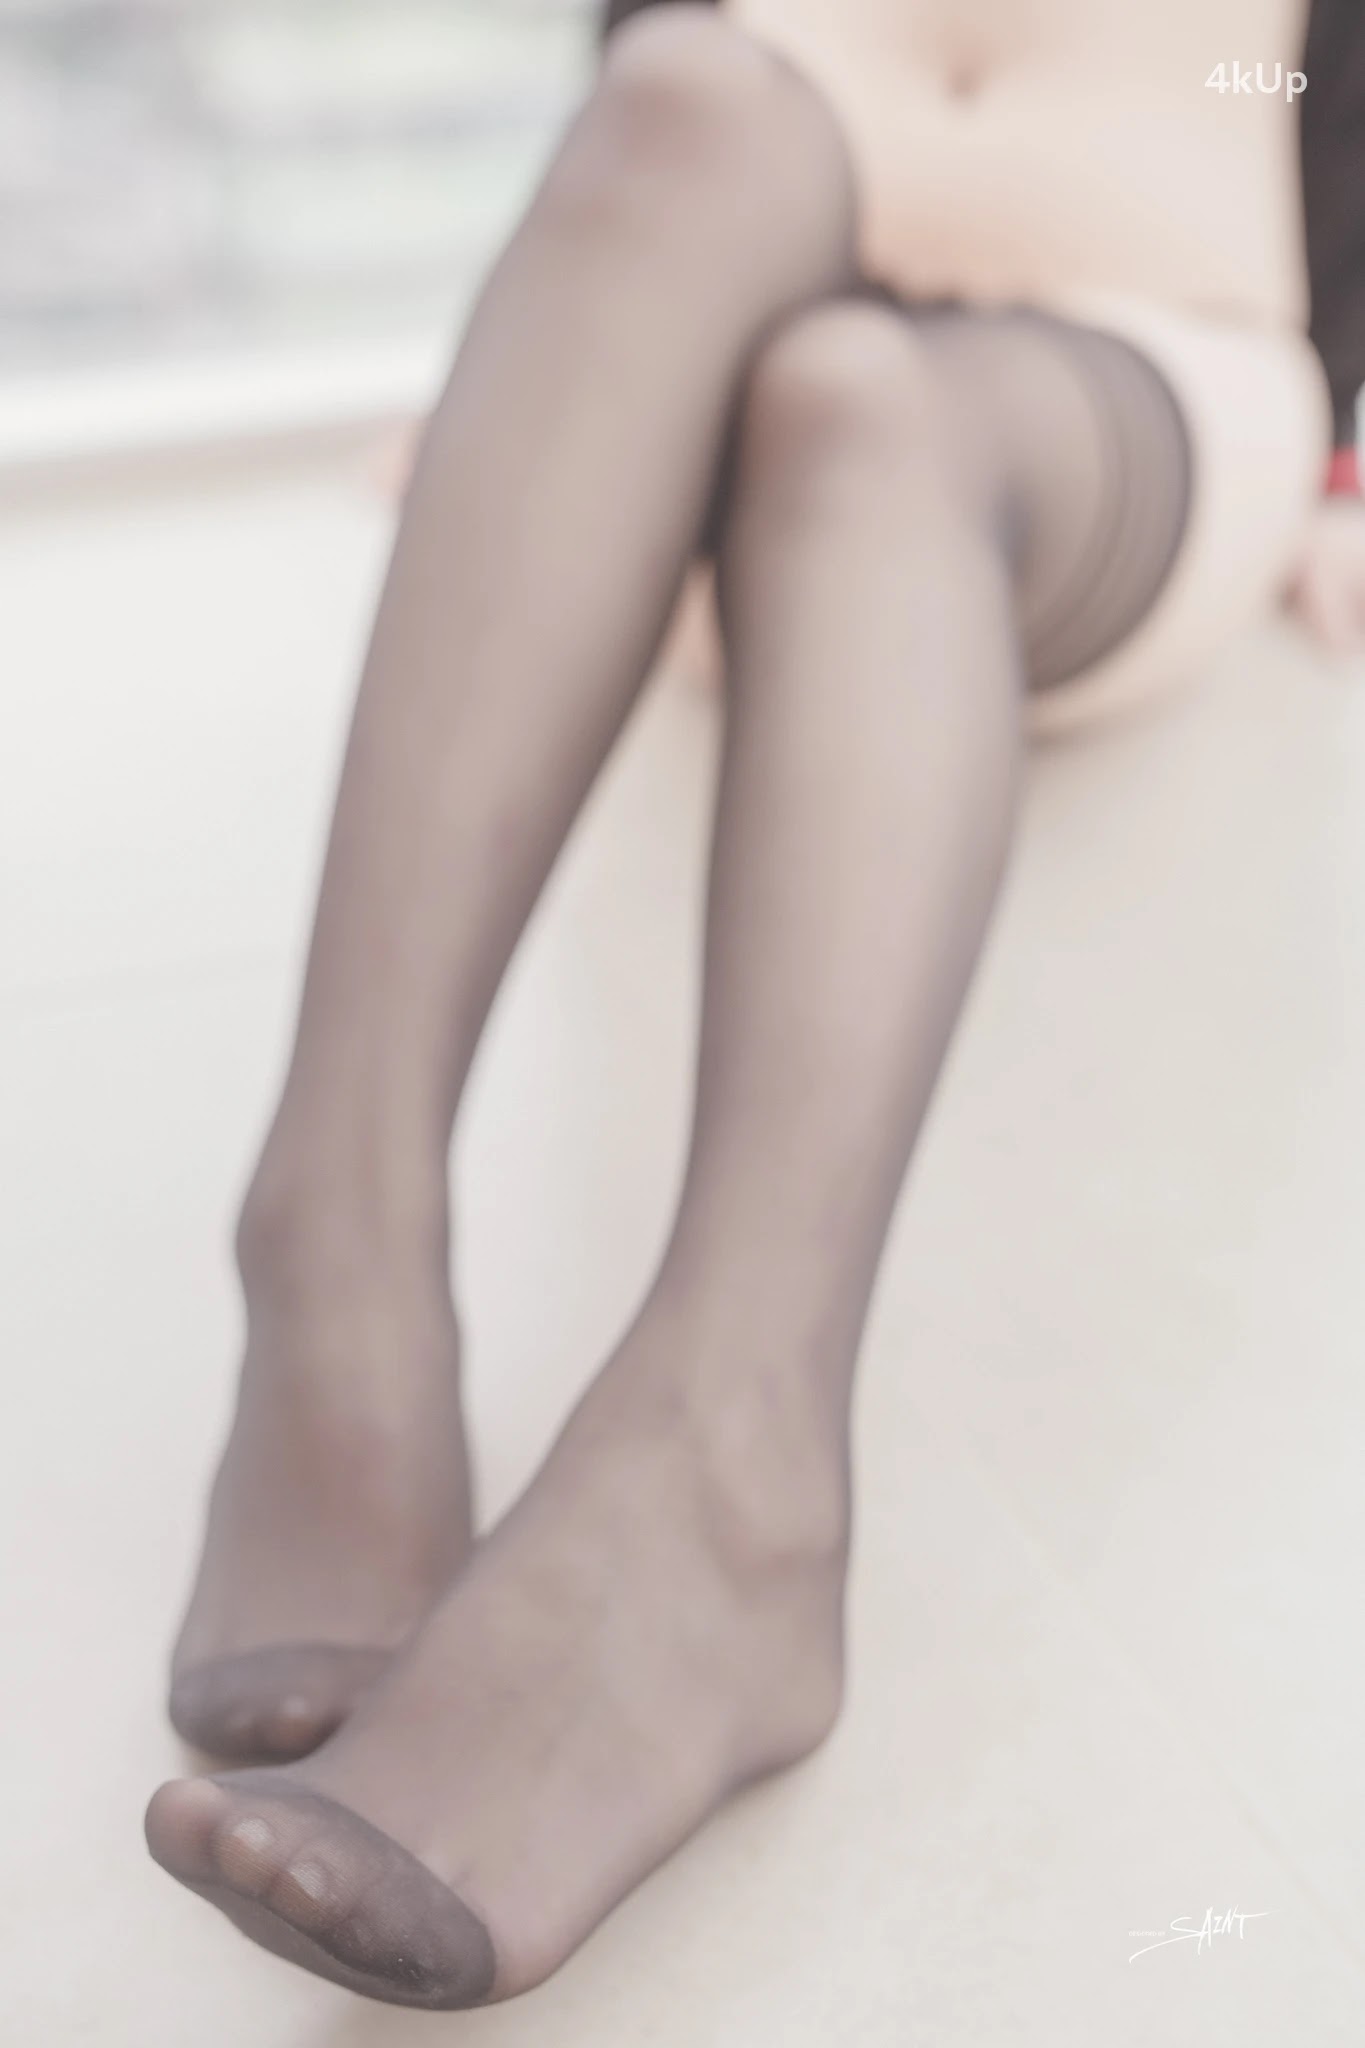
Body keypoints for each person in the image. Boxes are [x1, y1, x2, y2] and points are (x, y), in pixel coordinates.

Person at [144, 0, 1365, 2011]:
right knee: (684, 90)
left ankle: (732, 1465)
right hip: (755, 239)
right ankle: (335, 1238)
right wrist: (539, 401)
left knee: (859, 408)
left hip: (1134, 338)